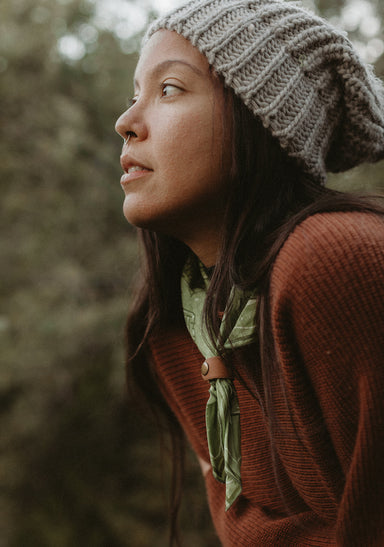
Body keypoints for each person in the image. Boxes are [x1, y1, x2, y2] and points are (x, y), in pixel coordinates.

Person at [115, 0, 384, 544]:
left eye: (169, 90)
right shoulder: (177, 323)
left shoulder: (334, 263)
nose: (126, 123)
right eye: (133, 96)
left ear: (260, 121)